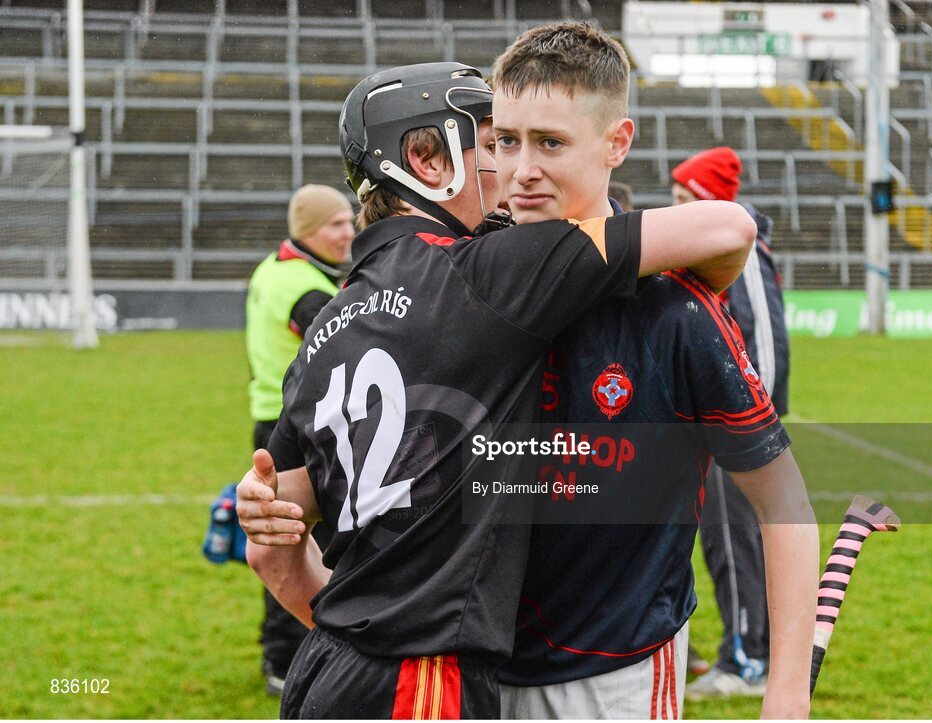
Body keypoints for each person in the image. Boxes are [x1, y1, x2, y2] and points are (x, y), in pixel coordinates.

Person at [235, 60, 755, 719]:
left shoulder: (328, 326)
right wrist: (400, 643)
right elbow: (727, 227)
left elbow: (268, 545)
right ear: (426, 159)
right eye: (490, 141)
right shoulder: (483, 271)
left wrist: (359, 630)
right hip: (421, 687)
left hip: (325, 671)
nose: (509, 167)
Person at [486, 23, 817, 719]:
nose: (521, 169)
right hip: (464, 670)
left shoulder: (675, 313)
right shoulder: (462, 283)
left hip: (611, 678)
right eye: (503, 141)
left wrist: (786, 694)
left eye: (549, 142)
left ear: (617, 142)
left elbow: (783, 501)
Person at [669, 147, 793, 701]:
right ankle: (750, 650)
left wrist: (745, 426)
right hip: (714, 430)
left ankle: (746, 658)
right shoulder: (713, 250)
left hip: (732, 434)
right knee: (726, 542)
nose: (673, 211)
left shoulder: (741, 251)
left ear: (709, 200)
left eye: (682, 199)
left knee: (731, 543)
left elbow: (766, 344)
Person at [244, 183, 356, 695]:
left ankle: (280, 654)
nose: (348, 231)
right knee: (298, 541)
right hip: (295, 428)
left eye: (349, 221)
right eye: (335, 224)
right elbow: (338, 349)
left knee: (282, 537)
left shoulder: (273, 267)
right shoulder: (307, 288)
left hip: (268, 417)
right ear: (308, 230)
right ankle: (290, 657)